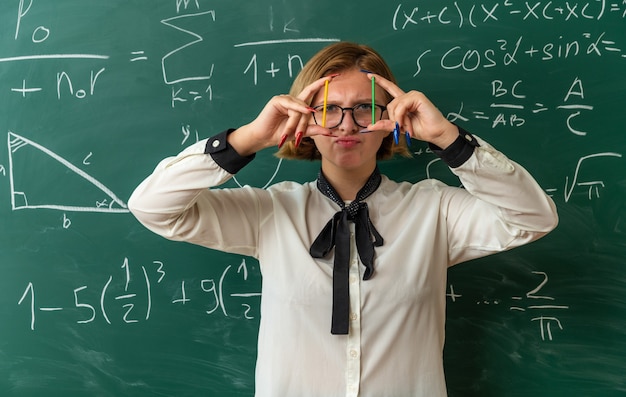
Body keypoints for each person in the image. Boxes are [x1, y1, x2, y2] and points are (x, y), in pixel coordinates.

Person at [128, 42, 558, 397]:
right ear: (302, 119)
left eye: (365, 108)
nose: (346, 126)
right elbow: (152, 207)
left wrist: (448, 138)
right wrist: (248, 138)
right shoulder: (270, 212)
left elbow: (533, 217)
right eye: (328, 109)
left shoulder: (435, 212)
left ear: (392, 118)